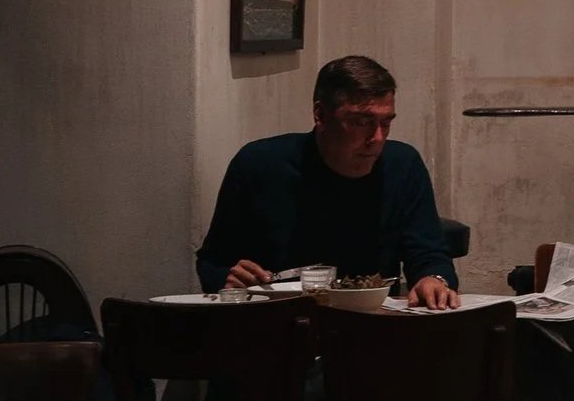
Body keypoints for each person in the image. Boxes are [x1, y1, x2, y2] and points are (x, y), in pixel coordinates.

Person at [196, 55, 459, 308]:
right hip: (276, 322)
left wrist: (434, 279)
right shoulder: (260, 165)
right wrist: (228, 280)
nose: (377, 137)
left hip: (370, 323)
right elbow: (213, 261)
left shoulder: (402, 165)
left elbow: (428, 253)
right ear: (320, 115)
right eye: (361, 122)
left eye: (385, 123)